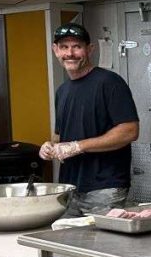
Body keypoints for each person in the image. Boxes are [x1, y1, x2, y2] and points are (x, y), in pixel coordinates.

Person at [39, 23, 139, 217]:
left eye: (77, 46)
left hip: (105, 188)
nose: (70, 53)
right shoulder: (62, 91)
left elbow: (129, 131)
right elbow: (60, 135)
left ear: (89, 49)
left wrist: (78, 146)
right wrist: (50, 146)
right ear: (55, 50)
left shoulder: (109, 82)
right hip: (69, 188)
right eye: (64, 47)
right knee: (68, 243)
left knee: (102, 244)